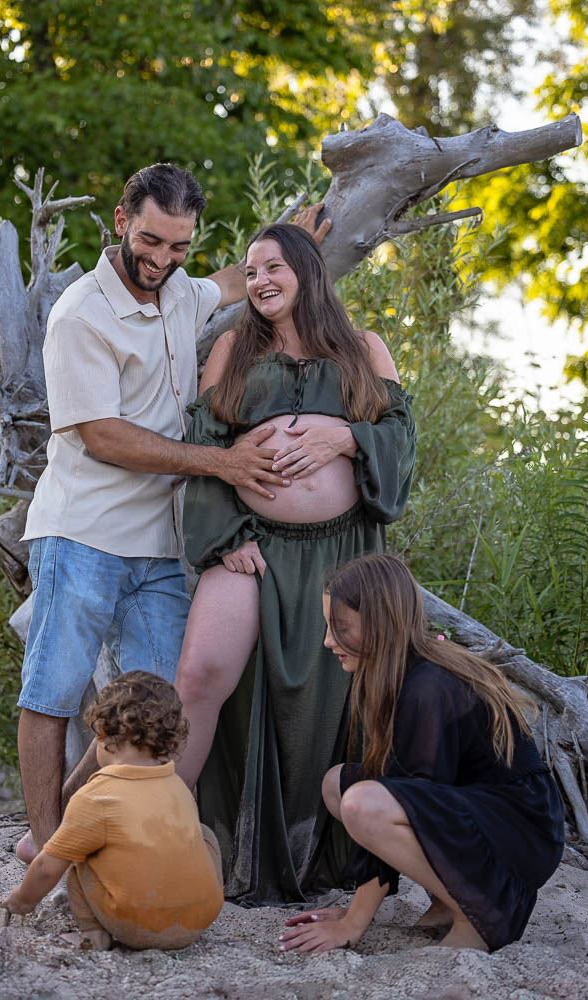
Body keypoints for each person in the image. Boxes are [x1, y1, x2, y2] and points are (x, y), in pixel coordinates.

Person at [16, 162, 327, 862]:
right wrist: (223, 462)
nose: (161, 260)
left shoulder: (181, 293)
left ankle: (62, 823)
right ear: (122, 222)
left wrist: (287, 240)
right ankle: (47, 852)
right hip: (81, 534)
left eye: (178, 247)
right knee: (53, 694)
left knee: (160, 709)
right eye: (151, 241)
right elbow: (104, 437)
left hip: (156, 544)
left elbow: (226, 282)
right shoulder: (80, 317)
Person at [175, 224, 417, 904]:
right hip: (250, 546)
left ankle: (338, 856)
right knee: (199, 675)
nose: (258, 282)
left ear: (308, 271)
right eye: (249, 272)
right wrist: (226, 535)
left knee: (341, 704)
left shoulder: (363, 349)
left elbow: (400, 440)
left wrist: (347, 435)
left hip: (344, 556)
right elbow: (203, 447)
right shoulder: (232, 348)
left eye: (272, 266)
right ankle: (160, 831)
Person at [279, 554, 565, 954]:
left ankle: (483, 913)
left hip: (521, 826)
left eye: (340, 627)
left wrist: (352, 923)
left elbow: (403, 798)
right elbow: (397, 785)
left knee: (362, 802)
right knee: (338, 785)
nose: (328, 641)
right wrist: (353, 912)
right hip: (480, 809)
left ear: (380, 623)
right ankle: (452, 901)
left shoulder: (427, 686)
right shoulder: (399, 672)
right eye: (328, 626)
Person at [0, 672, 223, 950]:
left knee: (79, 856)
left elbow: (46, 867)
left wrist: (21, 901)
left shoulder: (95, 798)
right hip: (198, 921)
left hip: (139, 927)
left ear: (101, 734)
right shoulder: (178, 787)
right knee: (202, 835)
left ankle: (94, 935)